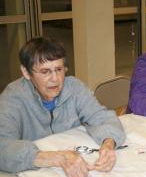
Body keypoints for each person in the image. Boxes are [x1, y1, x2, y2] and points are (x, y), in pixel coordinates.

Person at [0, 37, 126, 177]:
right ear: (26, 72)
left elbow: (102, 117)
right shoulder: (12, 97)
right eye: (45, 72)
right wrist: (57, 158)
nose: (55, 79)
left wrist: (108, 143)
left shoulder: (74, 87)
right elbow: (3, 146)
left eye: (59, 69)